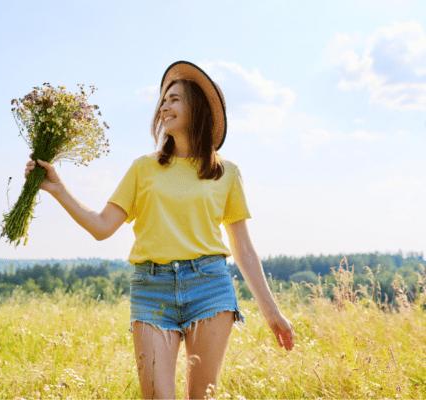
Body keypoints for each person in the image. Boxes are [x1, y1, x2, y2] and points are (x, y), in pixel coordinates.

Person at [24, 60, 295, 400]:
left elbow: (243, 249)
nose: (164, 106)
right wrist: (59, 189)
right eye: (163, 100)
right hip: (152, 290)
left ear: (197, 109)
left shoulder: (227, 173)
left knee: (202, 397)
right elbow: (102, 227)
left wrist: (272, 313)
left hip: (209, 286)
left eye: (175, 99)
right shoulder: (144, 168)